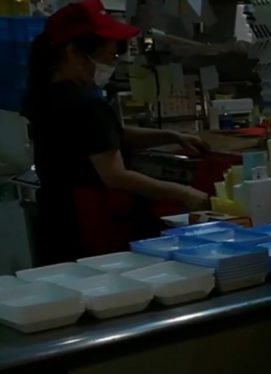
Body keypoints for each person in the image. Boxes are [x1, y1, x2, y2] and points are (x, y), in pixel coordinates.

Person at [22, 0, 209, 265]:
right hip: (92, 222)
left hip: (58, 218)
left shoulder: (45, 95)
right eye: (109, 55)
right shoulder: (86, 103)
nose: (113, 61)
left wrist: (171, 136)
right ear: (73, 52)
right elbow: (115, 175)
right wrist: (186, 193)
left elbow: (102, 137)